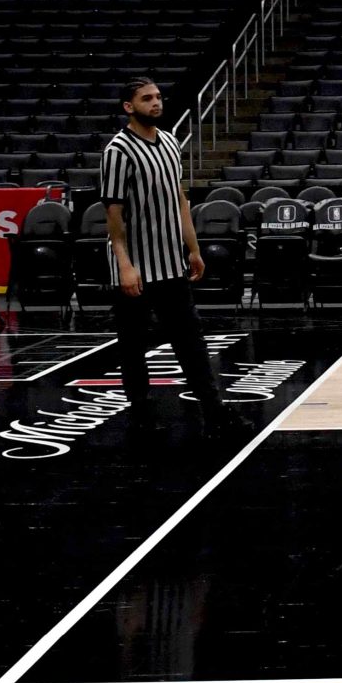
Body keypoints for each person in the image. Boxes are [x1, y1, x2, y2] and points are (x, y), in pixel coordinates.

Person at [101, 78, 225, 430]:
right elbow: (113, 213)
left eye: (158, 97)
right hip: (136, 266)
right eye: (146, 99)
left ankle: (215, 411)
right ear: (129, 107)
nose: (156, 103)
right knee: (133, 346)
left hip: (171, 261)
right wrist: (124, 264)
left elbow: (179, 199)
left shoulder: (170, 141)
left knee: (191, 341)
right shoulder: (118, 151)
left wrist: (193, 248)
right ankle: (141, 412)